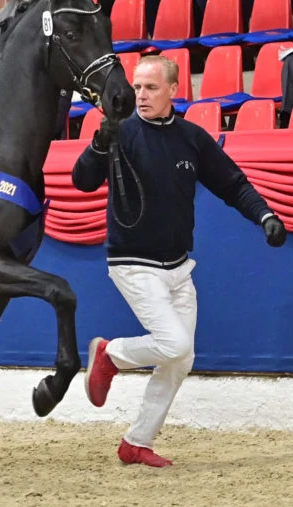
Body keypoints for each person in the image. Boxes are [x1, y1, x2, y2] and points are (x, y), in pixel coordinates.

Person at [72, 55, 287, 467]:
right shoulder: (121, 132)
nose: (141, 95)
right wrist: (100, 142)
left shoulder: (191, 137)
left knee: (180, 358)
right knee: (174, 342)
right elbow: (82, 181)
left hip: (178, 265)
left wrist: (264, 215)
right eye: (137, 87)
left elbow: (232, 183)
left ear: (174, 90)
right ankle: (110, 355)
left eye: (151, 87)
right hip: (132, 262)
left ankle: (136, 442)